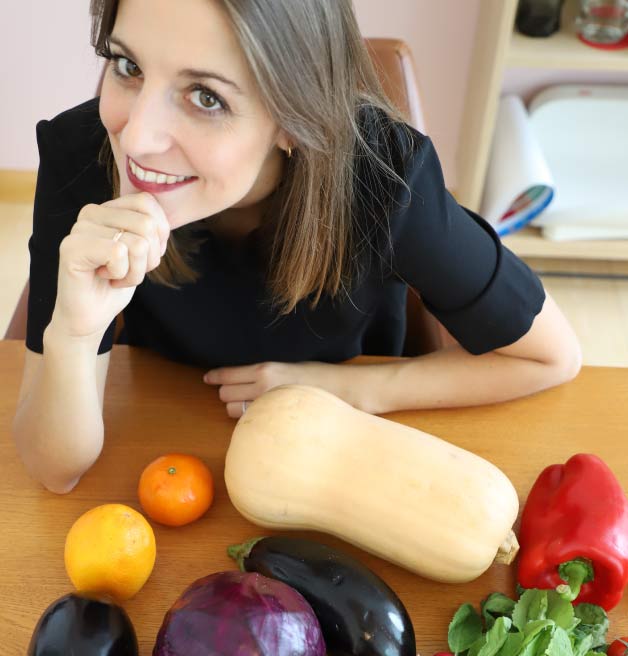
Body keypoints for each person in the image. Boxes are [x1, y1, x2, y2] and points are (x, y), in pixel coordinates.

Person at [13, 0, 582, 494]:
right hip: (167, 432)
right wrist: (74, 333)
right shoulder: (81, 153)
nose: (136, 136)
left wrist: (344, 389)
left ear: (296, 116)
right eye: (128, 65)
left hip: (337, 457)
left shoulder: (386, 177)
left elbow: (551, 356)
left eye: (205, 97)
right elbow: (55, 470)